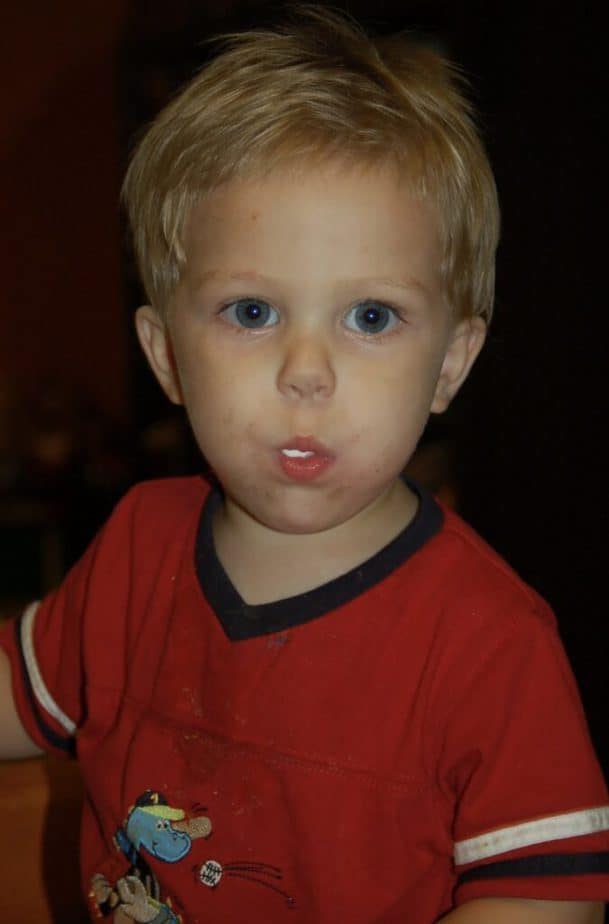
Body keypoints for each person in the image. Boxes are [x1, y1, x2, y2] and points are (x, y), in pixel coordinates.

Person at [0, 7, 607, 923]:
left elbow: (546, 899)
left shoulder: (490, 643)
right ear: (166, 356)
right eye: (251, 313)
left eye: (369, 317)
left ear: (448, 364)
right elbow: (18, 698)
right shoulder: (136, 550)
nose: (305, 372)